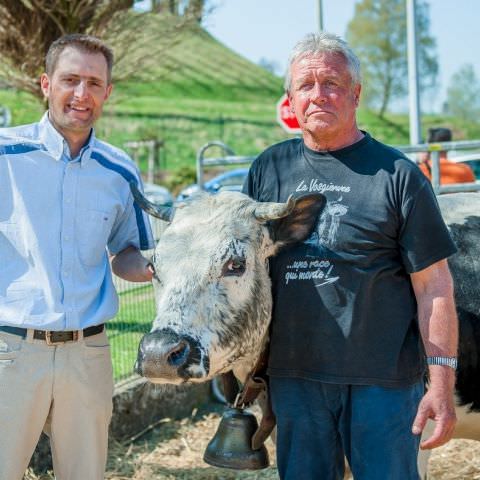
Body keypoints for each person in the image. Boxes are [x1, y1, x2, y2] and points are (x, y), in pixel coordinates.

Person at [243, 32, 458, 480]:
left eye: (333, 84)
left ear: (355, 94)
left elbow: (434, 286)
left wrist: (441, 381)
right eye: (306, 85)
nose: (318, 95)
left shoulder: (398, 175)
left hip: (384, 382)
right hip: (296, 378)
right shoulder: (268, 169)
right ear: (290, 99)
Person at [0, 34, 155, 480]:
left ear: (108, 92)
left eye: (94, 82)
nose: (81, 94)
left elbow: (126, 252)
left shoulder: (119, 169)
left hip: (88, 354)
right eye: (70, 80)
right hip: (11, 350)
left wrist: (158, 267)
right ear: (46, 84)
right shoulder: (6, 155)